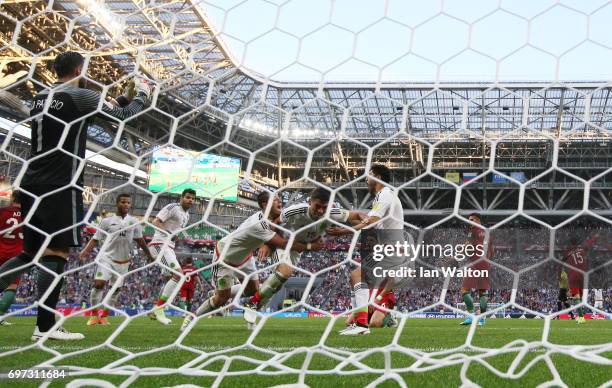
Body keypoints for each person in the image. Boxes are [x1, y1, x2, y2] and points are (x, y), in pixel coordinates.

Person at [0, 51, 152, 341]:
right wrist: (142, 93)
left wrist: (120, 96)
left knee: (30, 254)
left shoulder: (42, 97)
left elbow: (92, 112)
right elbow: (122, 116)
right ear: (80, 69)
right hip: (62, 183)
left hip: (31, 181)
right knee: (56, 253)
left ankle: (44, 324)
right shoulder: (79, 95)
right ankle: (45, 327)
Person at [181, 191, 324, 331]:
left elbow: (277, 228)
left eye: (279, 199)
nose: (280, 201)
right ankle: (192, 317)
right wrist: (311, 246)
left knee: (254, 291)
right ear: (264, 204)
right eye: (275, 200)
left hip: (246, 257)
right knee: (221, 299)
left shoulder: (274, 217)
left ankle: (233, 299)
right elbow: (284, 243)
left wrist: (266, 244)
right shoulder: (259, 224)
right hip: (225, 257)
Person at [243, 187, 363, 323]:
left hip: (297, 250)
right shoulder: (297, 211)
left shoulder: (331, 213)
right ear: (310, 201)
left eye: (324, 207)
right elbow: (276, 221)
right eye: (317, 206)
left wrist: (369, 220)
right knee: (284, 272)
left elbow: (357, 216)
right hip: (283, 244)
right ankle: (252, 304)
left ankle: (254, 304)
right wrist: (267, 243)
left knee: (278, 283)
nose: (320, 211)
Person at [327, 164, 405, 335]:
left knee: (357, 276)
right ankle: (358, 322)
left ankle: (361, 325)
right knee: (354, 277)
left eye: (369, 175)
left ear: (378, 177)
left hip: (392, 249)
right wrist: (342, 220)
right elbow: (365, 221)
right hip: (387, 248)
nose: (366, 179)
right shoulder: (381, 197)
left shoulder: (385, 195)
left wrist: (342, 232)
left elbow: (368, 223)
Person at [79, 193, 153, 326]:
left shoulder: (134, 222)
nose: (126, 205)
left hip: (124, 262)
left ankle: (104, 316)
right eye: (123, 202)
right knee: (99, 284)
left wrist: (149, 254)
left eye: (128, 203)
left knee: (116, 289)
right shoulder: (107, 221)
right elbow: (96, 238)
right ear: (117, 204)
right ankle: (94, 314)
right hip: (106, 258)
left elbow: (140, 240)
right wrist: (85, 251)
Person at [148, 188, 196, 325]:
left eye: (192, 198)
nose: (190, 200)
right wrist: (169, 233)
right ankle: (159, 308)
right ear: (181, 197)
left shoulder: (187, 216)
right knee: (178, 275)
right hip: (159, 244)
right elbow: (156, 222)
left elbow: (174, 233)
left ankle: (156, 308)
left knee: (173, 278)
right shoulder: (173, 207)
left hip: (169, 246)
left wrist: (178, 238)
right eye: (187, 197)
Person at [459, 213, 493, 327]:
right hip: (485, 263)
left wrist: (456, 257)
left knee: (464, 290)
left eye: (472, 219)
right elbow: (491, 251)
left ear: (478, 220)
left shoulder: (472, 230)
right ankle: (482, 319)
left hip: (474, 263)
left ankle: (471, 315)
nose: (469, 221)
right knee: (482, 292)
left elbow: (467, 246)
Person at [563, 233, 598, 324]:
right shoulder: (582, 249)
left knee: (576, 297)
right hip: (583, 275)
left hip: (573, 275)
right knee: (580, 297)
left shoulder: (568, 252)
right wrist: (595, 237)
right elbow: (589, 243)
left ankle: (581, 317)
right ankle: (580, 315)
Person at [0, 191, 22, 325]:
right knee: (11, 287)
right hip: (17, 256)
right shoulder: (30, 215)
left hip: (0, 250)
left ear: (12, 198)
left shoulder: (3, 211)